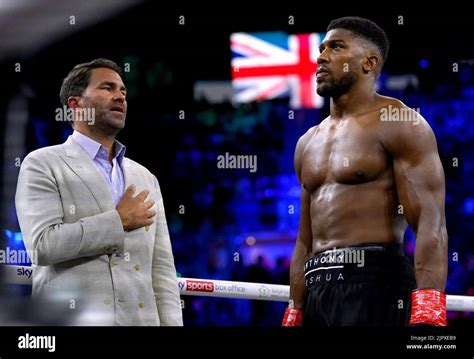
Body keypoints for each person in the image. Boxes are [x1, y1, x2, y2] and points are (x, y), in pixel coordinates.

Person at [282, 17, 448, 326]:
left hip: (376, 283)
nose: (320, 56)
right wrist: (296, 309)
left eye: (336, 46)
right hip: (317, 288)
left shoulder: (399, 122)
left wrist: (429, 306)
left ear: (369, 63)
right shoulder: (307, 142)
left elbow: (430, 221)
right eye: (321, 48)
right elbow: (304, 240)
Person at [15, 58, 183, 326]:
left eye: (123, 91)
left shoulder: (145, 178)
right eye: (107, 88)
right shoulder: (42, 163)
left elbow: (161, 271)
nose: (119, 96)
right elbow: (43, 246)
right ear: (75, 103)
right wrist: (119, 221)